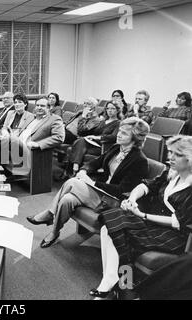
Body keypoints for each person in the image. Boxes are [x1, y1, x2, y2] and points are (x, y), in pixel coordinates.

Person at [90, 135, 192, 299]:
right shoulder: (171, 172)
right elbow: (146, 185)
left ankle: (117, 283)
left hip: (175, 235)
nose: (170, 157)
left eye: (177, 155)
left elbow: (179, 222)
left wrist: (143, 215)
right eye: (170, 152)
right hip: (153, 223)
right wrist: (132, 199)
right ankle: (112, 280)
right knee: (110, 226)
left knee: (117, 231)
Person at [27, 117, 150, 249]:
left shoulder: (139, 160)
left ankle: (50, 213)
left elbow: (121, 190)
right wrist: (85, 170)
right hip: (99, 193)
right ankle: (54, 232)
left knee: (73, 182)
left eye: (124, 133)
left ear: (135, 138)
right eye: (119, 131)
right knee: (67, 199)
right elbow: (95, 162)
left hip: (114, 200)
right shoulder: (116, 148)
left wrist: (92, 182)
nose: (118, 134)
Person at [0, 96, 64, 175]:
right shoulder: (33, 117)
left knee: (11, 140)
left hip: (29, 150)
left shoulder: (54, 119)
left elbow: (59, 137)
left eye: (42, 106)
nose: (39, 108)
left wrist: (38, 144)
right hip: (17, 145)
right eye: (37, 105)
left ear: (49, 108)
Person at [68, 101, 122, 175]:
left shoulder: (118, 123)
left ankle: (74, 168)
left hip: (104, 147)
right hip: (93, 144)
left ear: (118, 110)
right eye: (108, 108)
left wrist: (97, 138)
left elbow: (113, 137)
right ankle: (76, 167)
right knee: (80, 141)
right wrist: (85, 120)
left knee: (78, 146)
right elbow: (93, 131)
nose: (109, 110)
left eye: (113, 108)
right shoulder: (103, 121)